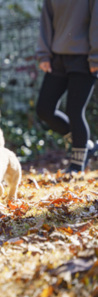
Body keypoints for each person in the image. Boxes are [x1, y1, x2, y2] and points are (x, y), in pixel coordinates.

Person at [36, 0, 98, 173]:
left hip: (85, 58)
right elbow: (46, 21)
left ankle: (77, 166)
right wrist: (44, 55)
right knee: (44, 109)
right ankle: (85, 145)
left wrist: (96, 56)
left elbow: (96, 21)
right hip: (58, 58)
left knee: (75, 111)